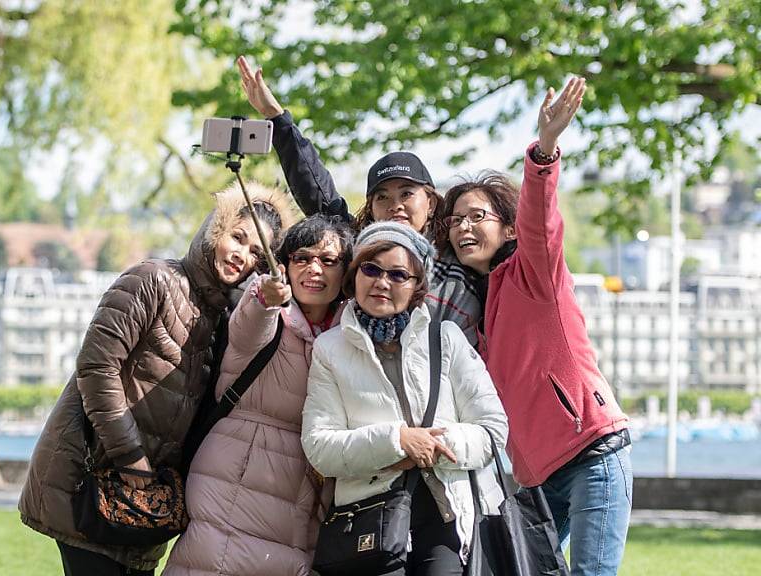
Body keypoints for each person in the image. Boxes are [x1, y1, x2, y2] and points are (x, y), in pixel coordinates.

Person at [18, 181, 295, 576]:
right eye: (237, 237)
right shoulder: (152, 279)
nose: (241, 255)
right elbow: (97, 368)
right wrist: (131, 457)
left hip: (145, 502)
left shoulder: (221, 318)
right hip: (92, 479)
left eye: (256, 252)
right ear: (216, 229)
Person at [434, 77, 632, 576]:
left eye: (476, 216)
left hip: (591, 453)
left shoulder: (534, 273)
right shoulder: (470, 306)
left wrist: (544, 150)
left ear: (507, 227)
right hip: (536, 476)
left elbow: (540, 219)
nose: (463, 227)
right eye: (455, 220)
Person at [301, 221, 508, 576]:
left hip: (449, 516)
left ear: (416, 287)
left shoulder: (446, 338)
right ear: (354, 276)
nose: (382, 283)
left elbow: (492, 429)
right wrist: (396, 442)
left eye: (398, 275)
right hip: (369, 521)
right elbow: (319, 447)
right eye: (371, 269)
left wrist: (434, 445)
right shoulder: (329, 349)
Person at [236, 55, 481, 346]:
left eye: (406, 193)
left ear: (430, 202)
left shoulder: (458, 260)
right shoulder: (359, 251)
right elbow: (317, 191)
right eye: (382, 196)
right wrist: (277, 119)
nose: (395, 204)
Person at [163, 215, 354, 576]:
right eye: (302, 258)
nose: (314, 269)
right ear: (285, 265)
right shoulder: (270, 311)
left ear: (345, 271)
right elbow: (250, 325)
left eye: (328, 260)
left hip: (305, 488)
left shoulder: (349, 332)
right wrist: (266, 297)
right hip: (237, 472)